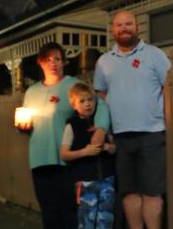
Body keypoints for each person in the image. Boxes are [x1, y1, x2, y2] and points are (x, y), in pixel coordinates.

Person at [17, 42, 109, 229]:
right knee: (48, 212)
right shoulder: (31, 91)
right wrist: (22, 126)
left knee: (69, 212)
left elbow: (100, 106)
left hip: (66, 161)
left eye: (57, 59)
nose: (53, 63)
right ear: (40, 63)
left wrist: (100, 130)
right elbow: (26, 122)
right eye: (48, 59)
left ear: (64, 62)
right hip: (39, 160)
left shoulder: (73, 85)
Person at [94, 10, 171, 229]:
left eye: (128, 24)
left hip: (153, 134)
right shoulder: (104, 62)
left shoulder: (154, 55)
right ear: (113, 30)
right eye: (119, 25)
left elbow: (170, 87)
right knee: (128, 193)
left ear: (137, 27)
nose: (124, 28)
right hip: (120, 136)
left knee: (152, 193)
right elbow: (101, 93)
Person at [61, 82, 116, 229]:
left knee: (106, 220)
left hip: (107, 179)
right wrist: (85, 152)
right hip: (85, 182)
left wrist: (107, 147)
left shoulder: (102, 122)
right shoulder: (72, 125)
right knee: (86, 221)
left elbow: (114, 147)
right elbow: (64, 154)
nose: (87, 104)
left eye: (90, 100)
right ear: (74, 105)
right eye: (82, 101)